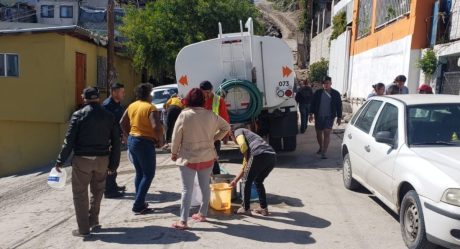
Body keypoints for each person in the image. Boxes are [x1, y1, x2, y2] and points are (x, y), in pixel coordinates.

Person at [54, 87, 120, 237]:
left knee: (80, 194)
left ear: (84, 98)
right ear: (98, 98)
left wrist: (60, 161)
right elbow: (116, 142)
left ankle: (83, 229)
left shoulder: (78, 115)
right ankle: (94, 220)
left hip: (82, 160)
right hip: (102, 160)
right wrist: (113, 165)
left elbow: (68, 141)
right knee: (98, 191)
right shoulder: (109, 116)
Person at [170, 88, 230, 229]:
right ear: (203, 100)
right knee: (205, 187)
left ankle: (183, 221)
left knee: (187, 189)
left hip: (188, 158)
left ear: (189, 100)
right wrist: (214, 139)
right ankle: (202, 214)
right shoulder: (211, 115)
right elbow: (226, 127)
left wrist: (173, 153)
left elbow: (176, 136)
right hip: (207, 157)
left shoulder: (184, 115)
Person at [120, 83, 164, 214]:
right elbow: (156, 126)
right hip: (144, 142)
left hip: (133, 140)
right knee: (149, 174)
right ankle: (138, 204)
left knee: (140, 173)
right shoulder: (151, 108)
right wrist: (160, 140)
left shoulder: (132, 105)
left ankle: (140, 200)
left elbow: (122, 122)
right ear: (148, 94)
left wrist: (128, 135)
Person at [230, 128, 276, 216]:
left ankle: (245, 208)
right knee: (258, 181)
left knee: (246, 181)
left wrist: (247, 159)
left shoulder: (237, 131)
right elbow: (244, 168)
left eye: (231, 137)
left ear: (231, 134)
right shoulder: (251, 139)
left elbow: (242, 145)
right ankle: (264, 208)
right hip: (271, 156)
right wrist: (235, 180)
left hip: (259, 154)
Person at [199, 80, 230, 175]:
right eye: (204, 93)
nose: (206, 95)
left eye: (208, 93)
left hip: (214, 136)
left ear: (212, 89)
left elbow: (225, 119)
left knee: (214, 159)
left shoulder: (218, 100)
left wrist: (225, 135)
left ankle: (217, 180)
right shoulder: (199, 100)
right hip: (201, 136)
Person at [102, 82, 126, 198]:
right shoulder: (107, 106)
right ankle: (108, 190)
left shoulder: (118, 105)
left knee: (115, 163)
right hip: (109, 140)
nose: (124, 94)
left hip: (116, 138)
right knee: (110, 164)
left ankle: (113, 185)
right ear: (114, 92)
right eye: (122, 92)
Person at [309, 76, 342, 159]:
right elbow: (312, 103)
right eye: (324, 83)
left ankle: (324, 151)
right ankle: (321, 147)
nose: (326, 85)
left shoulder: (335, 93)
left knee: (327, 133)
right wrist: (311, 114)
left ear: (331, 83)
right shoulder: (318, 93)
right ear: (322, 84)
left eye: (328, 83)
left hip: (329, 116)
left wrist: (339, 117)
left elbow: (339, 105)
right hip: (319, 116)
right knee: (319, 134)